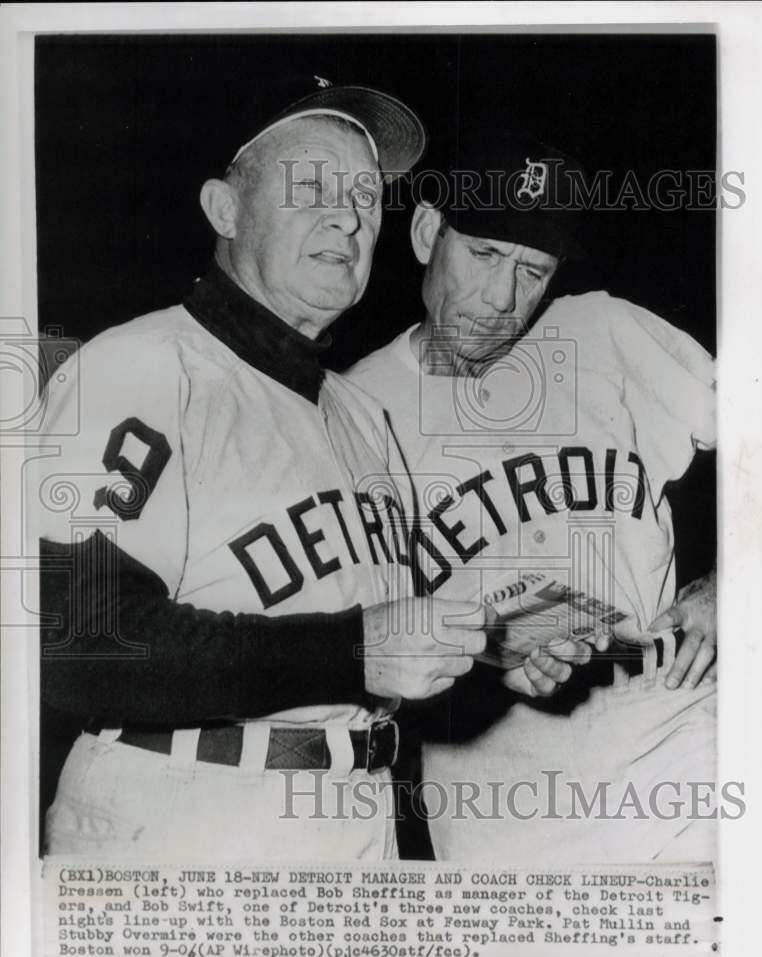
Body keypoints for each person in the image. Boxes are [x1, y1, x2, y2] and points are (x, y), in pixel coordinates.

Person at [35, 80, 487, 862]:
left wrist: (489, 643)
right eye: (312, 187)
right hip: (183, 819)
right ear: (224, 209)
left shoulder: (357, 413)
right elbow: (76, 642)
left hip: (358, 818)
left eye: (366, 197)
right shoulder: (140, 365)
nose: (348, 217)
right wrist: (351, 653)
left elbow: (372, 636)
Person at [348, 126, 718, 864]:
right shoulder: (349, 411)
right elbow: (342, 633)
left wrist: (734, 581)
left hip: (675, 735)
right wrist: (483, 643)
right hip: (499, 802)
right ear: (427, 232)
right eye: (483, 254)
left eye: (531, 269)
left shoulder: (601, 334)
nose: (500, 298)